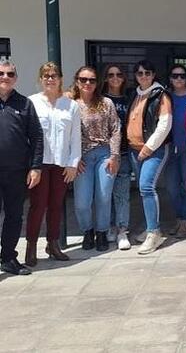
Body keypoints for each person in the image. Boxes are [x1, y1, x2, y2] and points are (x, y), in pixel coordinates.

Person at [26, 62, 81, 265]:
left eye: (54, 75)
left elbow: (75, 137)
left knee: (57, 205)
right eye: (46, 76)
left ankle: (53, 243)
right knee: (38, 206)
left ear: (60, 79)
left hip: (61, 163)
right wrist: (32, 166)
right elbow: (27, 137)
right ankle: (31, 246)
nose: (50, 79)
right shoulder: (31, 103)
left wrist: (73, 163)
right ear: (40, 79)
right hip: (39, 164)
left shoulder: (71, 105)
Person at [72, 66, 121, 252]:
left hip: (104, 155)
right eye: (83, 79)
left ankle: (101, 232)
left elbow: (115, 129)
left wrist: (114, 156)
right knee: (82, 202)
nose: (87, 83)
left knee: (103, 196)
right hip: (81, 158)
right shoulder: (71, 104)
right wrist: (73, 159)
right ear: (77, 81)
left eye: (91, 80)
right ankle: (87, 231)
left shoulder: (106, 103)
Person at [0, 60, 43, 276]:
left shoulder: (24, 104)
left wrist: (36, 167)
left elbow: (36, 136)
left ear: (15, 78)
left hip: (16, 172)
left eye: (9, 74)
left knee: (14, 216)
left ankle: (8, 258)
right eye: (1, 73)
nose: (5, 77)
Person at [126, 59, 172, 255]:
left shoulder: (160, 95)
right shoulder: (135, 95)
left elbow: (164, 125)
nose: (143, 76)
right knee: (143, 190)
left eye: (147, 73)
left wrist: (148, 148)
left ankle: (154, 233)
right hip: (134, 149)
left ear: (154, 75)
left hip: (153, 150)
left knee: (146, 186)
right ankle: (149, 227)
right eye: (139, 73)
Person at [102, 64, 134, 250]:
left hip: (124, 152)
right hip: (103, 154)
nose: (115, 78)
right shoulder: (100, 99)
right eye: (111, 75)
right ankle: (108, 226)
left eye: (119, 74)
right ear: (105, 78)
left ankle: (122, 229)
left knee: (122, 194)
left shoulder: (130, 98)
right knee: (104, 194)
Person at [165, 64, 186, 239]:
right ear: (170, 78)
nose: (179, 79)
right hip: (169, 148)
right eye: (175, 76)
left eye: (182, 76)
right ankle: (180, 217)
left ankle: (185, 220)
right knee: (171, 187)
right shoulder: (166, 97)